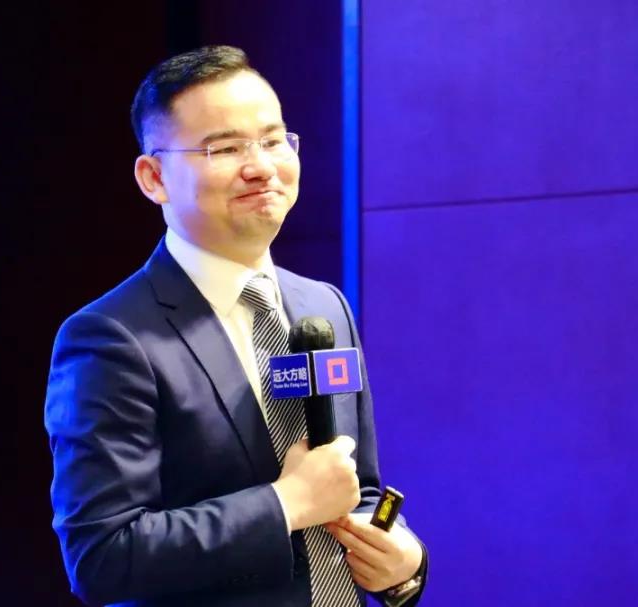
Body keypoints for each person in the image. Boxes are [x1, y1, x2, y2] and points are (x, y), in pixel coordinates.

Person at [45, 45, 427, 607]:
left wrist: (403, 565)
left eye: (273, 141)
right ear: (154, 177)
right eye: (225, 148)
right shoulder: (111, 336)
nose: (261, 166)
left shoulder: (324, 306)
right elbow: (103, 556)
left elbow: (356, 488)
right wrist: (287, 503)